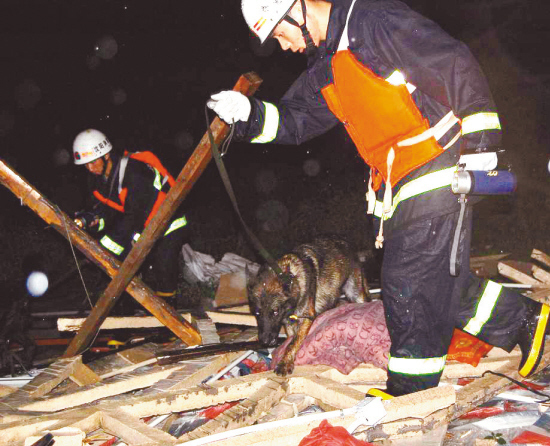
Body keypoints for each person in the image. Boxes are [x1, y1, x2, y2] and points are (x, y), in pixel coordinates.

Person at [207, 0, 549, 396]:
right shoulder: (325, 66)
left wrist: (483, 146)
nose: (283, 46)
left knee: (407, 284)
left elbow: (452, 62)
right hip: (399, 185)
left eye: (281, 33)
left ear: (299, 9)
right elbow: (296, 121)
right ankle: (528, 322)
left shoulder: (371, 21)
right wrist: (247, 113)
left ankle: (411, 396)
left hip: (439, 166)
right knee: (439, 283)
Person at [72, 129, 188, 310]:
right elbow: (109, 210)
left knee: (163, 267)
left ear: (106, 155)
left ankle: (168, 316)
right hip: (142, 226)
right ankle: (132, 310)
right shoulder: (101, 180)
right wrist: (92, 219)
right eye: (85, 164)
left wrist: (105, 247)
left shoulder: (134, 171)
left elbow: (134, 215)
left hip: (168, 223)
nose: (90, 168)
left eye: (93, 161)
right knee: (126, 270)